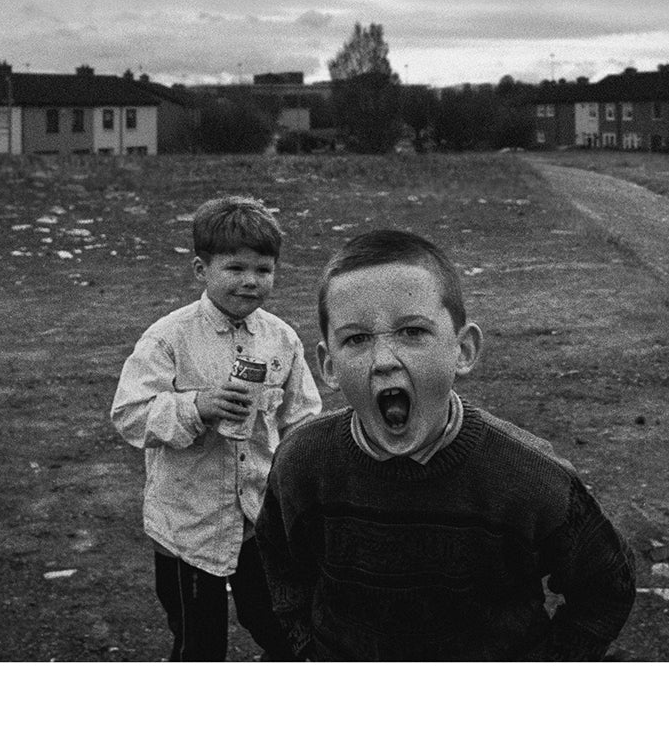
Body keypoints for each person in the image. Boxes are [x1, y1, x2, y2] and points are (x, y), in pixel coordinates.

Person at [256, 228, 636, 661]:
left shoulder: (530, 478)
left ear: (463, 349)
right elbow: (279, 561)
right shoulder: (302, 463)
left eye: (412, 331)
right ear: (328, 366)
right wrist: (305, 647)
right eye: (357, 339)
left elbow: (609, 584)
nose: (384, 361)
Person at [111, 195, 322, 661]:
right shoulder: (169, 337)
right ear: (200, 270)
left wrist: (302, 487)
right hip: (188, 526)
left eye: (263, 269)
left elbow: (302, 419)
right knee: (199, 645)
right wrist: (196, 407)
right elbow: (130, 415)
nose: (251, 281)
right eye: (235, 268)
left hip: (258, 521)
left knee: (282, 627)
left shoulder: (281, 339)